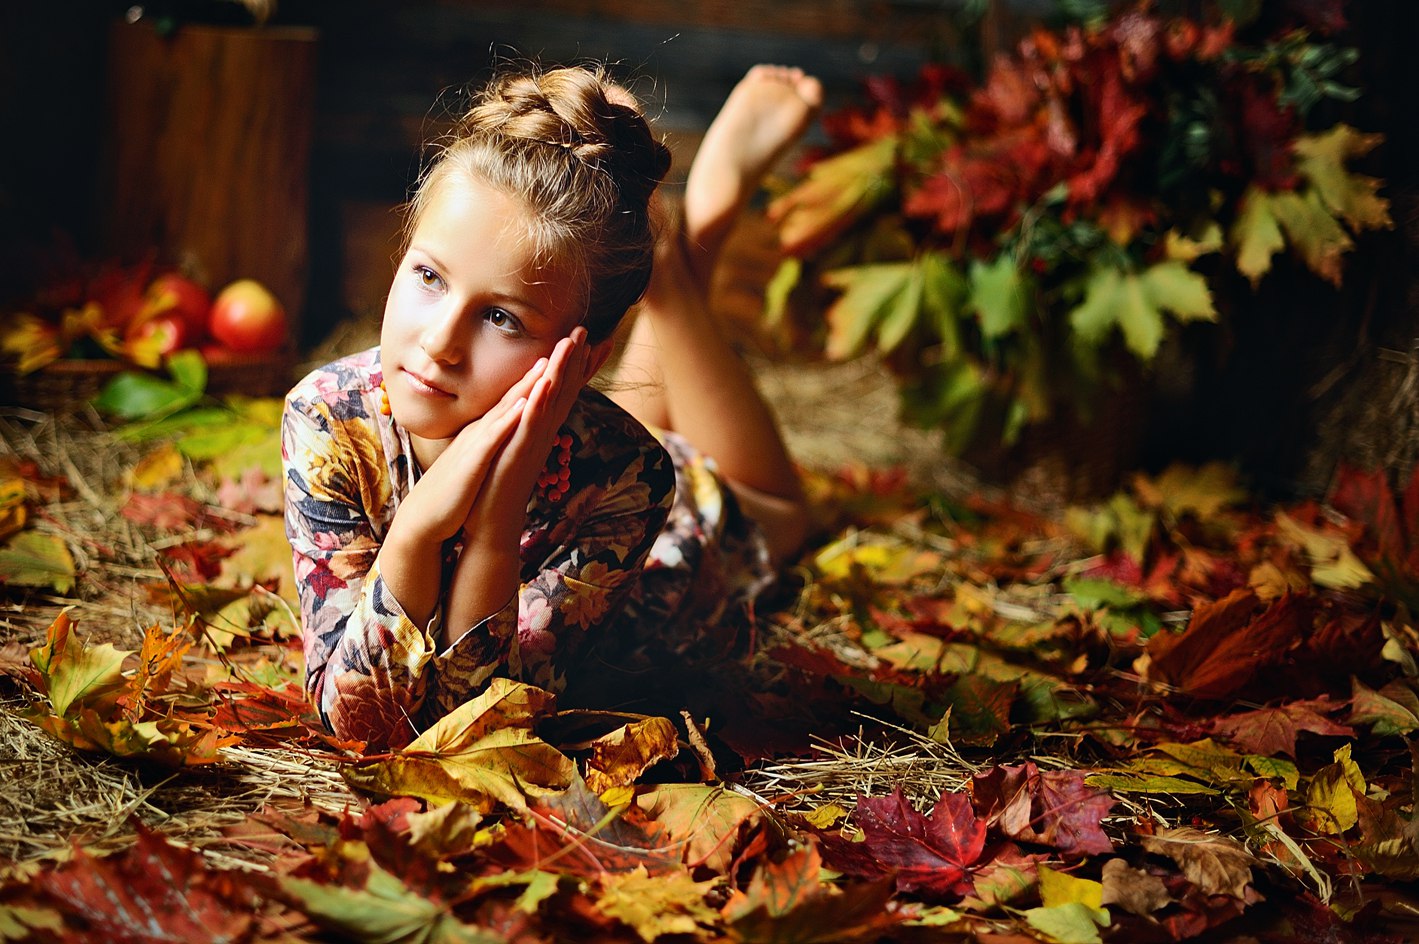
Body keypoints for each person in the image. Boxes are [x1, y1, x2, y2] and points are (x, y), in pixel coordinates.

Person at [282, 62, 822, 750]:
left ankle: (675, 257)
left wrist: (494, 522)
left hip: (695, 514)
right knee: (627, 400)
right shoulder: (326, 418)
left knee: (777, 514)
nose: (439, 343)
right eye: (427, 276)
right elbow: (357, 719)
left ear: (584, 359)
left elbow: (483, 720)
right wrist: (419, 526)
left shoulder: (634, 476)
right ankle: (654, 242)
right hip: (595, 424)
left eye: (501, 317)